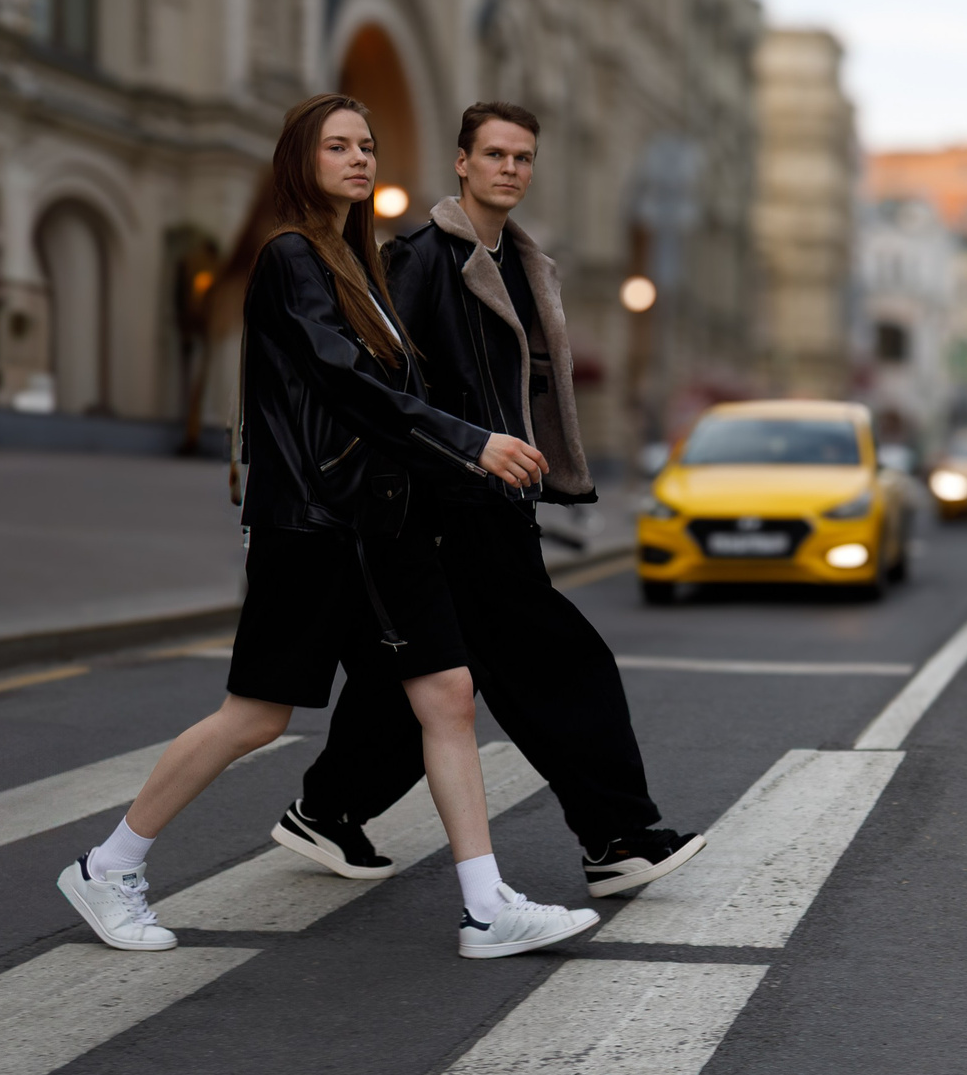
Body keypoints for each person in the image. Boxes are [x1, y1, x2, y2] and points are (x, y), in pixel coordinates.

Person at [56, 94, 599, 961]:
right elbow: (350, 387)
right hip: (312, 527)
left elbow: (398, 397)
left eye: (368, 144)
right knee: (256, 716)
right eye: (337, 145)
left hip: (383, 527)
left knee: (448, 697)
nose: (359, 158)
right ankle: (108, 864)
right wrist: (472, 443)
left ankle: (486, 903)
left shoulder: (361, 266)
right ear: (299, 160)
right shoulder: (291, 258)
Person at [270, 102, 703, 899]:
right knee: (562, 665)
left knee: (426, 687)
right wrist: (460, 459)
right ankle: (618, 836)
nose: (510, 168)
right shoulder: (422, 259)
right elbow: (379, 388)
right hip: (443, 508)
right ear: (462, 163)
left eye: (523, 157)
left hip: (493, 501)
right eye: (495, 154)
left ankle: (327, 809)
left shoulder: (521, 264)